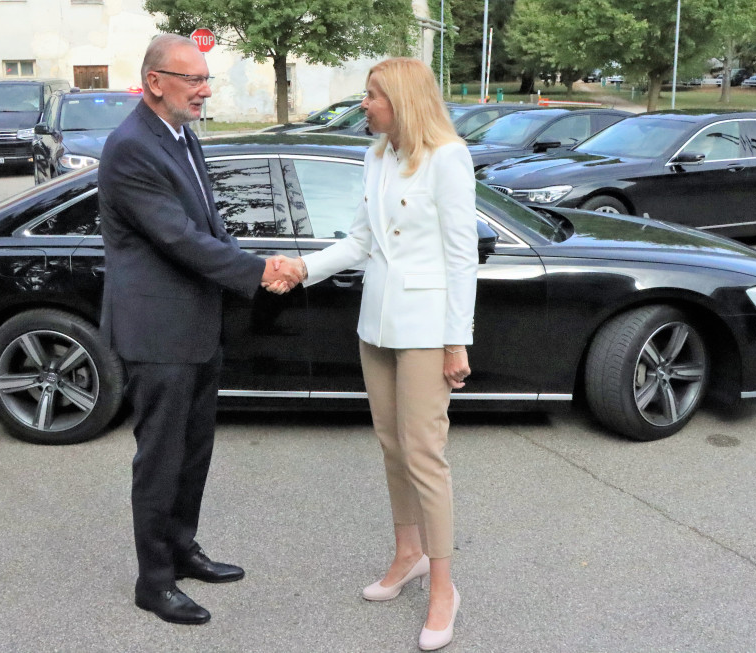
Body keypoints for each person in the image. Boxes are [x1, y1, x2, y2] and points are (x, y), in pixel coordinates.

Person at [97, 33, 302, 626]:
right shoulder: (132, 147)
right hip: (158, 333)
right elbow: (177, 238)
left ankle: (182, 549)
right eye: (193, 80)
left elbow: (208, 224)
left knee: (194, 452)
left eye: (205, 79)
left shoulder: (182, 136)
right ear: (156, 82)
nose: (205, 90)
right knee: (160, 459)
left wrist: (249, 261)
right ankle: (154, 580)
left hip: (195, 325)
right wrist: (258, 272)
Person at [278, 58, 477, 651]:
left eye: (371, 96)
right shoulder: (377, 155)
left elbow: (461, 256)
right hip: (378, 325)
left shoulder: (448, 157)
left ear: (401, 99)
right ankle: (407, 555)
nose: (363, 104)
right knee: (393, 447)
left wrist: (455, 339)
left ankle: (444, 587)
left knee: (425, 454)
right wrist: (303, 268)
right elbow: (362, 240)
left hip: (425, 331)